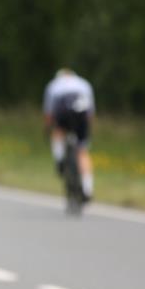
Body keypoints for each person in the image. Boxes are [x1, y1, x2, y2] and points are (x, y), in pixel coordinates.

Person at [43, 68, 95, 202]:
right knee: (82, 151)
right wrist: (85, 131)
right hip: (81, 112)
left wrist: (48, 129)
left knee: (58, 133)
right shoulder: (84, 83)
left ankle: (59, 160)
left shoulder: (54, 84)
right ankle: (87, 189)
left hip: (63, 110)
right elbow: (90, 114)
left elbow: (49, 113)